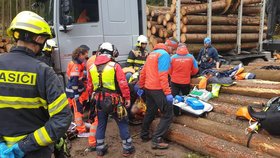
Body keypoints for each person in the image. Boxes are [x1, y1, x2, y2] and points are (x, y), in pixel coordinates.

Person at [0, 11, 72, 158]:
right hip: (34, 152)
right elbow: (62, 118)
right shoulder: (43, 72)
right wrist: (24, 146)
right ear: (39, 38)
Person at [87, 42, 135, 157]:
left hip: (98, 101)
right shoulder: (115, 66)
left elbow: (89, 87)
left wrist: (92, 100)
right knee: (122, 123)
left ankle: (100, 148)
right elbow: (123, 84)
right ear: (111, 53)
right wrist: (127, 98)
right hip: (114, 101)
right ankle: (127, 148)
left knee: (101, 123)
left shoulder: (92, 67)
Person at [138, 43, 173, 149]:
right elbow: (163, 75)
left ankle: (144, 135)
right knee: (168, 114)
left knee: (150, 111)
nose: (172, 51)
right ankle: (157, 139)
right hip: (157, 89)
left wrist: (141, 86)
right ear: (169, 46)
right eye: (173, 48)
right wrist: (167, 93)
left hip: (148, 88)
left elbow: (143, 72)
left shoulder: (151, 54)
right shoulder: (164, 55)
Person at [65, 46, 89, 136]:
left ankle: (71, 126)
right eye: (85, 56)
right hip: (74, 92)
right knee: (78, 111)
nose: (85, 58)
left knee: (70, 111)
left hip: (69, 91)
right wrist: (76, 94)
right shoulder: (76, 66)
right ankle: (81, 131)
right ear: (79, 55)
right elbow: (74, 81)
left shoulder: (72, 63)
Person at [169, 44, 199, 116]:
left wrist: (173, 75)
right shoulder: (191, 57)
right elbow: (195, 70)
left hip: (174, 81)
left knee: (175, 98)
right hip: (185, 82)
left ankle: (176, 113)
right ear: (186, 49)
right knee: (185, 97)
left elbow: (169, 70)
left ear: (177, 49)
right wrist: (189, 73)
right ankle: (184, 113)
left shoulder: (173, 58)